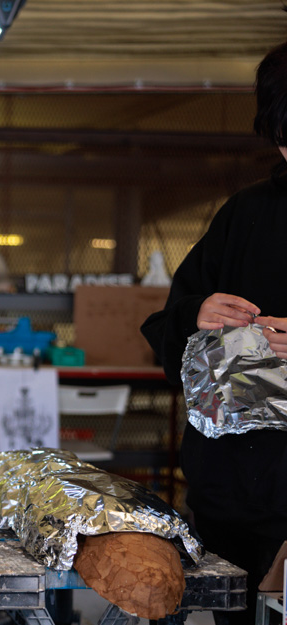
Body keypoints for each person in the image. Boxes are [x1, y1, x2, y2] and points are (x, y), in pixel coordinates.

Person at [140, 39, 287, 625]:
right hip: (231, 495)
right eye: (282, 136)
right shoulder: (248, 213)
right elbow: (163, 331)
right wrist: (197, 316)